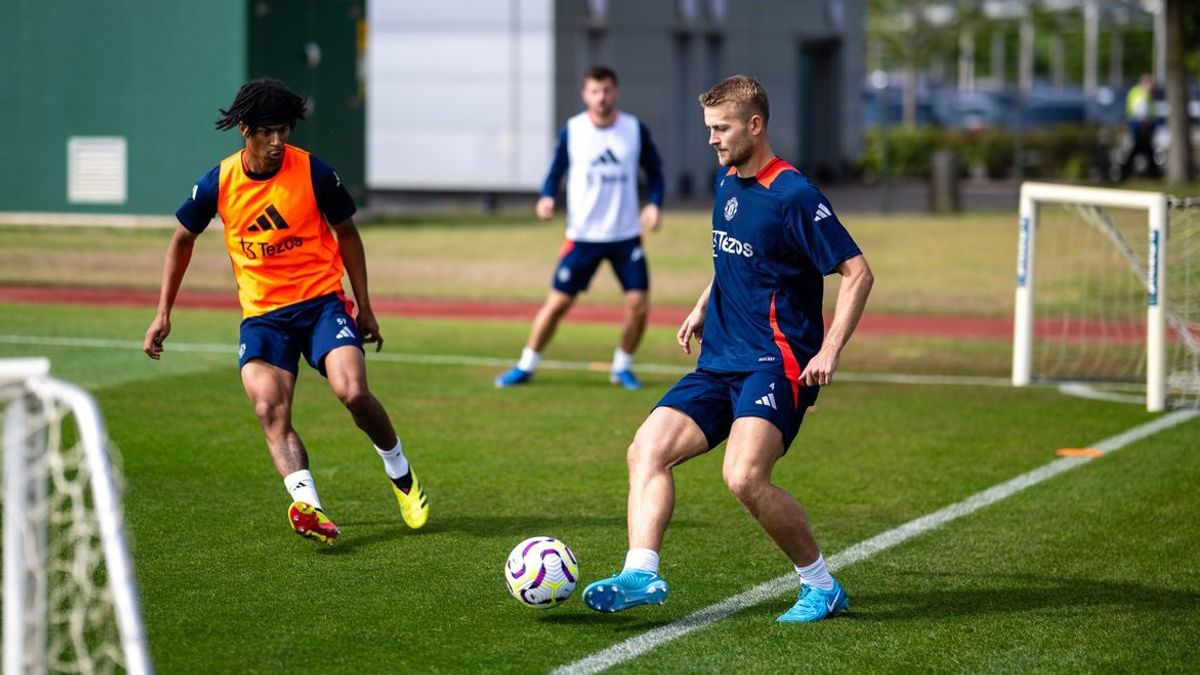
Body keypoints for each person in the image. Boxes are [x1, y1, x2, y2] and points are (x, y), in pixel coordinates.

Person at [581, 75, 873, 622]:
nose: (712, 139)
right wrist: (702, 303)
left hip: (775, 362)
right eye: (709, 129)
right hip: (718, 358)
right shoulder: (726, 183)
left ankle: (821, 586)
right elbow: (737, 260)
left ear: (755, 126)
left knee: (743, 477)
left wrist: (830, 349)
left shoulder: (793, 194)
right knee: (646, 449)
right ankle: (641, 573)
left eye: (722, 128)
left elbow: (857, 273)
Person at [143, 78, 429, 544]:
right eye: (267, 132)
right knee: (268, 409)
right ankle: (310, 508)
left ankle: (401, 475)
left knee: (353, 391)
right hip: (264, 317)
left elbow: (348, 234)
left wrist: (366, 305)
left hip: (321, 305)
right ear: (244, 130)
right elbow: (181, 241)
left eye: (284, 130)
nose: (278, 142)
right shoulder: (218, 182)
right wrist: (162, 313)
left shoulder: (314, 173)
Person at [495, 66, 665, 391]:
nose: (601, 98)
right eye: (595, 91)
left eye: (607, 91)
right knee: (557, 304)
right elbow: (555, 170)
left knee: (638, 307)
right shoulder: (573, 130)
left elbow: (656, 172)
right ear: (585, 95)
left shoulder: (633, 129)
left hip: (625, 235)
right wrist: (546, 197)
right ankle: (526, 364)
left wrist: (654, 203)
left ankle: (622, 367)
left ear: (616, 92)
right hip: (583, 236)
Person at [1120, 73, 1160, 180]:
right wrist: (1144, 126)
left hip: (1140, 126)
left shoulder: (1138, 92)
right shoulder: (1141, 94)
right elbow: (1141, 111)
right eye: (1152, 84)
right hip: (1141, 127)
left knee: (1144, 150)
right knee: (1140, 150)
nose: (1153, 87)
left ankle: (1153, 173)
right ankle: (1153, 174)